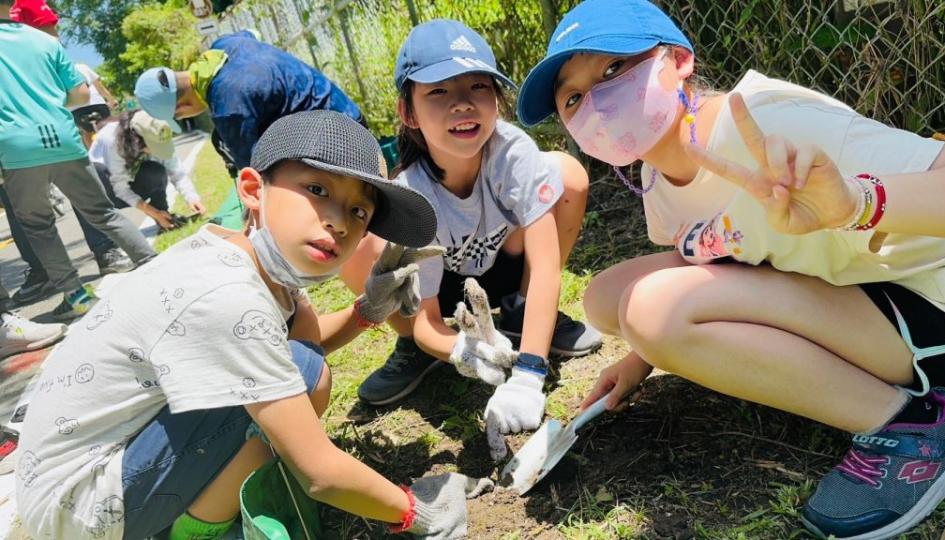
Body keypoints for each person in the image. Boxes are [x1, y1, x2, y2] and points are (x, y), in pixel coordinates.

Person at [516, 0, 945, 538]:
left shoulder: (768, 117)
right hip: (865, 301)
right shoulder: (658, 181)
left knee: (651, 306)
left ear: (678, 60)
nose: (599, 104)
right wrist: (643, 357)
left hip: (938, 306)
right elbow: (715, 256)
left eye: (613, 70)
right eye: (574, 98)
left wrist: (857, 203)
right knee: (608, 297)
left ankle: (915, 425)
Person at [14, 110, 491, 540]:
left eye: (358, 210)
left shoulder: (246, 257)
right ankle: (195, 532)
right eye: (318, 190)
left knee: (301, 365)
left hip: (83, 481)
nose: (339, 223)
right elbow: (319, 472)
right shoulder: (228, 298)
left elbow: (301, 343)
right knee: (302, 374)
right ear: (251, 189)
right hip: (81, 507)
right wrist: (415, 511)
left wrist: (368, 310)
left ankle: (203, 503)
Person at [338, 19, 601, 457]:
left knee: (567, 175)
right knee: (364, 244)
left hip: (504, 264)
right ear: (408, 113)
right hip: (444, 291)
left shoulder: (512, 152)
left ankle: (522, 314)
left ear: (497, 100)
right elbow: (426, 324)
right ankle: (416, 354)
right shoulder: (414, 195)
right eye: (438, 92)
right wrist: (461, 348)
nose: (462, 104)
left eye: (479, 86)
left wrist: (531, 373)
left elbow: (547, 263)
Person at [0, 3, 156, 320]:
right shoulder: (43, 41)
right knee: (102, 212)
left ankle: (77, 297)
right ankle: (152, 264)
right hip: (63, 137)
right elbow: (82, 95)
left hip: (17, 147)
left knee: (38, 226)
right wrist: (47, 104)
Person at [134, 30, 365, 230]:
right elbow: (252, 33)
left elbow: (258, 180)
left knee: (278, 187)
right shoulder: (224, 44)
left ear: (182, 108)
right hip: (350, 115)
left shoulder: (228, 109)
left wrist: (251, 225)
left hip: (341, 149)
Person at [89, 110, 206, 230]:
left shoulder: (158, 132)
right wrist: (152, 212)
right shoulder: (112, 140)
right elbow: (120, 189)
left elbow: (177, 171)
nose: (157, 150)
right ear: (137, 140)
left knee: (155, 171)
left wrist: (192, 198)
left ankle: (164, 216)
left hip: (131, 180)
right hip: (106, 190)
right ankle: (104, 240)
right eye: (154, 146)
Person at [69, 63, 119, 148]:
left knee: (86, 132)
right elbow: (100, 87)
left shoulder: (58, 72)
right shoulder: (82, 66)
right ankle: (115, 150)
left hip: (76, 109)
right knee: (109, 128)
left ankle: (93, 155)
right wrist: (112, 100)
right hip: (96, 103)